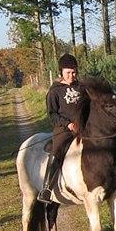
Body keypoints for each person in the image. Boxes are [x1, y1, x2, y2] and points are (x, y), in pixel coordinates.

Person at [38, 53, 87, 203]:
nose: (72, 75)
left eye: (74, 72)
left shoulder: (81, 87)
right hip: (64, 130)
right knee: (57, 150)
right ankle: (47, 188)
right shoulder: (54, 91)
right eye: (68, 72)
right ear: (61, 73)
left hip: (84, 127)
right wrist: (68, 124)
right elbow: (52, 115)